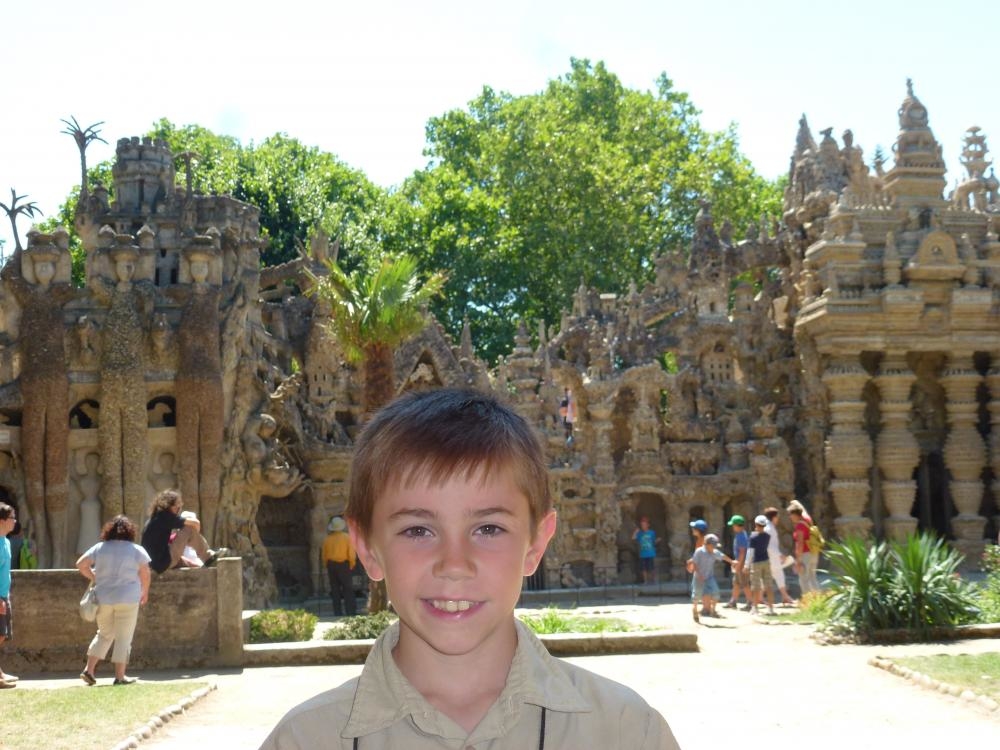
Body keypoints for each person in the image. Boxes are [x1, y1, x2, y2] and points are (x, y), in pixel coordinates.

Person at [261, 388, 679, 749]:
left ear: (536, 543)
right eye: (418, 530)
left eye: (489, 528)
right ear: (367, 548)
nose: (454, 565)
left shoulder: (627, 732)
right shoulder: (303, 740)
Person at [76, 515, 151, 685]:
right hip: (128, 597)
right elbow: (145, 573)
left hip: (103, 597)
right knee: (124, 637)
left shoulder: (100, 547)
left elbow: (81, 564)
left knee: (104, 634)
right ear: (130, 531)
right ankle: (119, 676)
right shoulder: (136, 549)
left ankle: (89, 670)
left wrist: (94, 577)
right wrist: (145, 591)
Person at [140, 489, 226, 574]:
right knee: (189, 529)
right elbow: (195, 523)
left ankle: (205, 565)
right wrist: (194, 536)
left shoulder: (155, 518)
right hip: (162, 562)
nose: (178, 511)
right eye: (177, 508)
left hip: (156, 563)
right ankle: (208, 557)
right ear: (169, 506)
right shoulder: (165, 517)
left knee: (191, 564)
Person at [686, 533, 734, 623]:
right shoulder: (699, 551)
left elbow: (722, 556)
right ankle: (694, 609)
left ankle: (713, 610)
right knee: (696, 595)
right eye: (713, 545)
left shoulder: (714, 552)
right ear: (707, 544)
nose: (714, 547)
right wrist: (699, 575)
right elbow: (695, 563)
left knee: (716, 593)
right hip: (698, 577)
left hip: (709, 577)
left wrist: (732, 562)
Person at [322, 516, 357, 616]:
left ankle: (337, 612)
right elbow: (351, 553)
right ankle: (350, 611)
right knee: (348, 589)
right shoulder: (347, 538)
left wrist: (326, 565)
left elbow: (324, 555)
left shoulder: (327, 539)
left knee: (335, 590)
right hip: (344, 565)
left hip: (331, 565)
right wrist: (352, 564)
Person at [0, 503, 19, 688]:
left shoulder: (6, 542)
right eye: (12, 518)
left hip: (4, 594)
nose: (15, 521)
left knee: (2, 635)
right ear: (2, 520)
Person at [744, 515, 776, 616]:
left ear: (756, 524)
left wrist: (746, 565)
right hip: (766, 561)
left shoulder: (753, 537)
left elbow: (750, 552)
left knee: (755, 586)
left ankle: (755, 607)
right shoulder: (767, 536)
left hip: (756, 562)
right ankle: (771, 608)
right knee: (768, 585)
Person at [763, 507, 795, 606]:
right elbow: (769, 545)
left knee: (774, 576)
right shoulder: (769, 529)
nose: (778, 519)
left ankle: (785, 597)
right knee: (777, 576)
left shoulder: (769, 528)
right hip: (771, 558)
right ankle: (785, 597)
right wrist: (780, 555)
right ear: (774, 517)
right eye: (777, 517)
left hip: (771, 557)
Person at [788, 505, 819, 595]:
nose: (790, 517)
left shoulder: (800, 526)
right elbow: (803, 510)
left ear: (795, 515)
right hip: (814, 552)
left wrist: (798, 561)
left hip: (805, 554)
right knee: (812, 577)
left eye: (791, 514)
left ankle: (808, 600)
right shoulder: (808, 520)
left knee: (803, 579)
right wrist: (796, 504)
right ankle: (818, 599)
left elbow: (800, 544)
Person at [724, 514, 750, 610]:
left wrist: (739, 565)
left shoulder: (741, 537)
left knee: (744, 583)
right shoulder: (741, 534)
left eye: (733, 525)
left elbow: (742, 552)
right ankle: (733, 601)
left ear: (737, 525)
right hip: (739, 563)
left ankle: (750, 602)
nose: (733, 527)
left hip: (741, 564)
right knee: (736, 583)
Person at [632, 516, 659, 585]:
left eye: (644, 524)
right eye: (642, 525)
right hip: (642, 554)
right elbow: (633, 538)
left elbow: (653, 541)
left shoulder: (652, 533)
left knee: (651, 568)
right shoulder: (640, 533)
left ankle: (653, 580)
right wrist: (636, 532)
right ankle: (645, 581)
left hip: (650, 553)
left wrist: (657, 541)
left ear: (648, 525)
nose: (643, 526)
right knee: (643, 569)